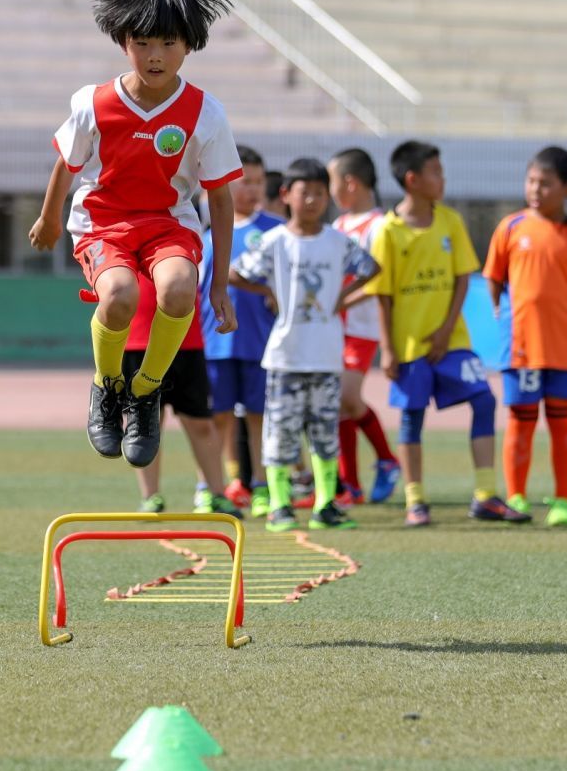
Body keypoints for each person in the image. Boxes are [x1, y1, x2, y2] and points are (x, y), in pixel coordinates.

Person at [29, 0, 241, 469]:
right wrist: (50, 218)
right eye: (142, 42)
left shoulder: (205, 113)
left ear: (189, 45)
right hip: (103, 221)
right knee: (120, 297)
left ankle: (144, 394)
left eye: (168, 43)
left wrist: (220, 286)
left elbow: (221, 200)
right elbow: (68, 162)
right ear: (123, 43)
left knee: (177, 289)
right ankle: (107, 386)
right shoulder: (94, 103)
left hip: (169, 222)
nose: (155, 55)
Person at [367, 140, 530, 527]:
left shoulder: (450, 221)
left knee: (484, 401)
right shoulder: (388, 231)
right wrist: (388, 350)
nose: (442, 179)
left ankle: (486, 495)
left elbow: (461, 279)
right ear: (413, 179)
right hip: (409, 346)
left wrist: (444, 331)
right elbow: (382, 294)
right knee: (411, 417)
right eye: (436, 171)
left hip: (452, 342)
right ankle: (416, 500)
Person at [229, 157, 380, 531]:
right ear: (286, 195)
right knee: (280, 431)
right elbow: (235, 272)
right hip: (286, 355)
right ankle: (280, 504)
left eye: (319, 192)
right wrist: (269, 291)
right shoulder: (275, 241)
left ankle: (326, 504)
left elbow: (371, 268)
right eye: (304, 192)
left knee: (324, 433)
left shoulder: (337, 241)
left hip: (327, 355)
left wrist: (343, 298)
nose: (312, 200)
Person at [483, 145, 567, 527]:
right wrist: (505, 315)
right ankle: (517, 495)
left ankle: (563, 500)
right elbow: (494, 278)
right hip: (520, 345)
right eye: (531, 180)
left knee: (563, 421)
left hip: (563, 347)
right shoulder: (512, 226)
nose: (535, 189)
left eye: (545, 183)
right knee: (521, 419)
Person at [199, 145, 283, 519]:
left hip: (262, 342)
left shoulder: (277, 232)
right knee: (216, 416)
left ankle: (263, 486)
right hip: (215, 342)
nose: (252, 189)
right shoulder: (206, 235)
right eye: (244, 182)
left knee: (258, 415)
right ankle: (212, 486)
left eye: (258, 181)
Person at [122, 273, 242, 517]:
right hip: (137, 342)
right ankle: (150, 497)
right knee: (145, 425)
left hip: (186, 343)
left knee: (200, 423)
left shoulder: (186, 237)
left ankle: (216, 493)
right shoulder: (124, 238)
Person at [328, 147, 401, 505]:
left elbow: (380, 279)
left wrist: (342, 301)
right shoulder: (339, 226)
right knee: (338, 403)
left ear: (350, 183)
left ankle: (388, 460)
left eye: (330, 182)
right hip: (334, 327)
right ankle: (350, 486)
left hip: (364, 325)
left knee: (347, 397)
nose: (328, 191)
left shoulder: (381, 226)